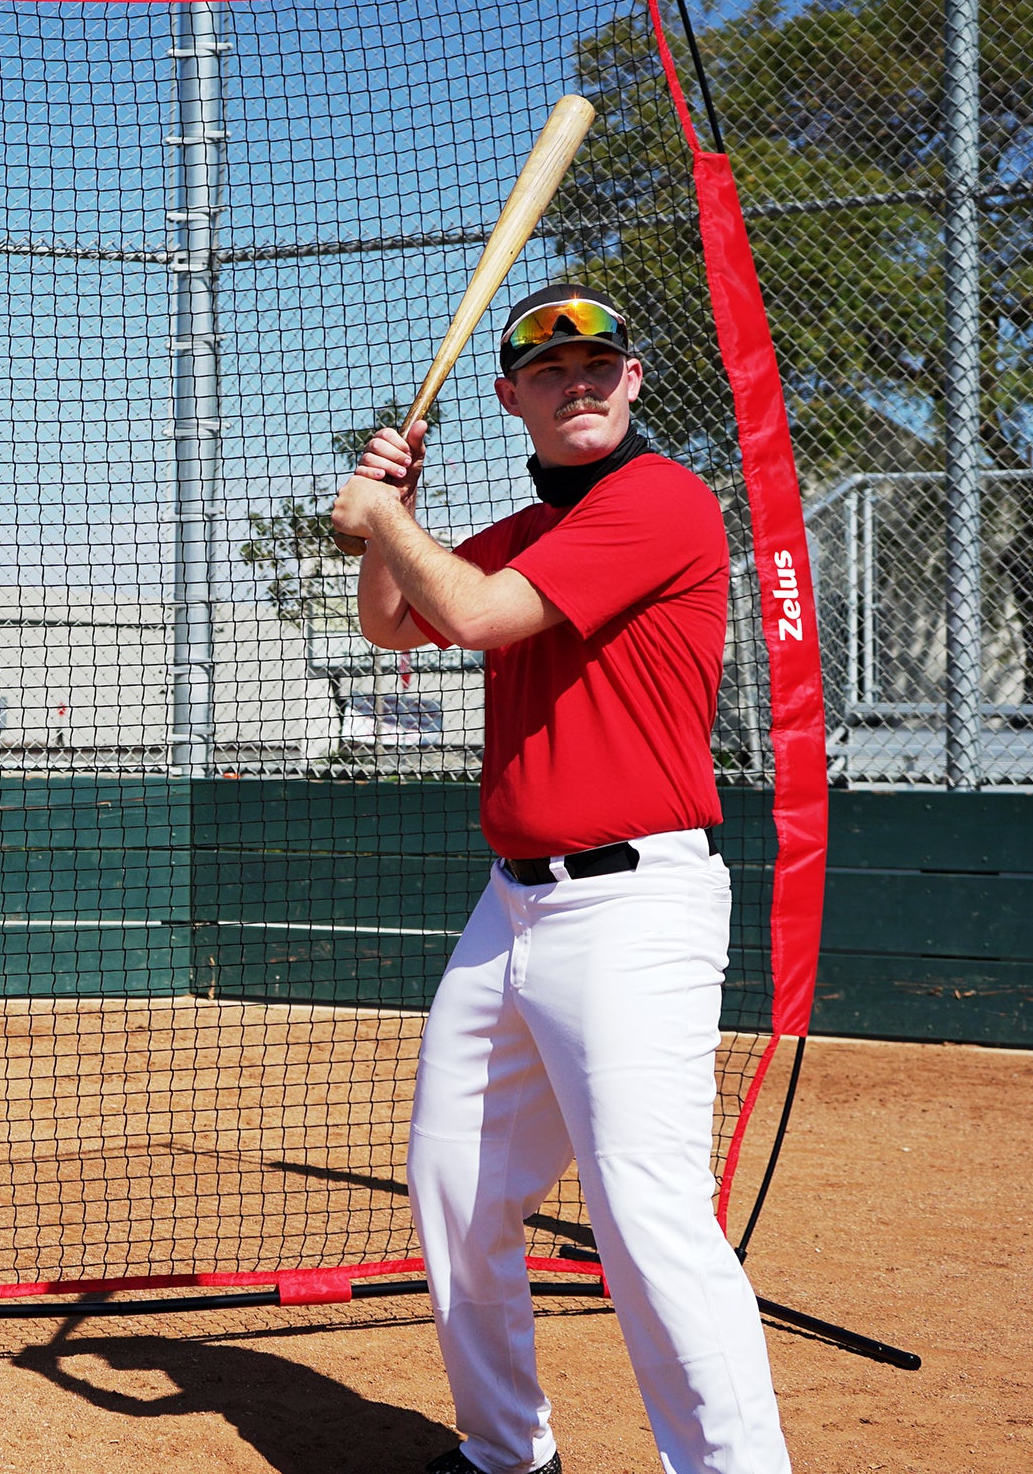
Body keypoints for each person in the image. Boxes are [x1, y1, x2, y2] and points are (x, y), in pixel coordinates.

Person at [329, 283, 792, 1474]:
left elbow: (473, 618)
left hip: (635, 907)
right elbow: (395, 626)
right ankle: (505, 1454)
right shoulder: (533, 531)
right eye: (550, 371)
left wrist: (382, 514)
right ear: (511, 398)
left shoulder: (659, 501)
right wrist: (401, 512)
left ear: (633, 381)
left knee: (647, 1219)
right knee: (454, 1191)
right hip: (513, 907)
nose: (577, 383)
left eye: (599, 366)